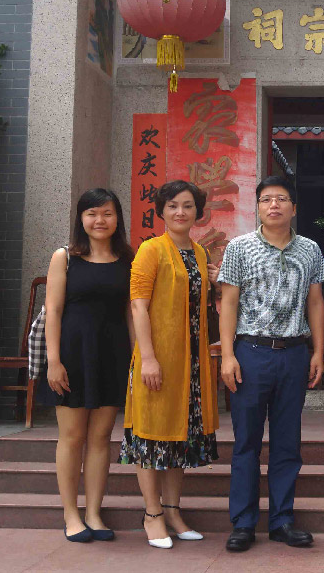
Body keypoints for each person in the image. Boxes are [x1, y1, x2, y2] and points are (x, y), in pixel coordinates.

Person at [218, 176, 324, 552]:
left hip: (294, 353)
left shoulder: (310, 249)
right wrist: (228, 355)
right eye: (266, 200)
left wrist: (317, 351)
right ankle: (243, 523)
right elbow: (228, 303)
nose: (274, 205)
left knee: (287, 442)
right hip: (250, 352)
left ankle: (282, 520)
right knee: (246, 442)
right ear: (258, 207)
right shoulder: (239, 248)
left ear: (294, 208)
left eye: (281, 199)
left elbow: (316, 301)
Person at [121, 180, 221, 550]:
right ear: (161, 211)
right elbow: (138, 306)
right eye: (173, 205)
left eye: (188, 206)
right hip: (157, 359)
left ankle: (174, 511)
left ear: (198, 212)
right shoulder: (151, 249)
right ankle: (152, 515)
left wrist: (215, 281)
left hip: (190, 365)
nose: (181, 212)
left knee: (179, 437)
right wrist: (147, 358)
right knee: (150, 436)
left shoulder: (199, 251)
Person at [41, 188, 135, 543]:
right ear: (81, 218)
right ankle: (71, 514)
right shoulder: (65, 257)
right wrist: (53, 361)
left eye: (107, 213)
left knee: (100, 438)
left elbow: (131, 312)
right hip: (73, 355)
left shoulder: (128, 258)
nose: (100, 220)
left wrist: (137, 358)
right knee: (72, 437)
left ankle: (94, 512)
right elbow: (54, 311)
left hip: (113, 354)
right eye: (92, 213)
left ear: (117, 218)